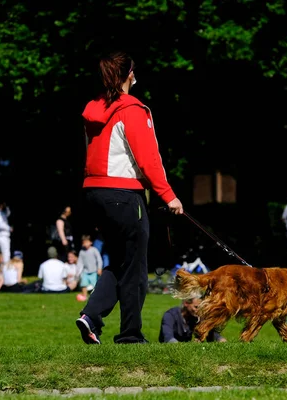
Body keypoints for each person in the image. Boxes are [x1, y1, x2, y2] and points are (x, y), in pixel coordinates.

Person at [75, 51, 184, 345]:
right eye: (134, 71)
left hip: (95, 193)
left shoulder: (92, 108)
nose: (136, 76)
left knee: (121, 261)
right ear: (127, 75)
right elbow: (148, 158)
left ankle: (91, 317)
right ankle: (130, 335)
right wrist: (169, 195)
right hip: (124, 194)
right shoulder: (132, 109)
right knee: (136, 268)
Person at [159, 297, 227, 343]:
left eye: (201, 308)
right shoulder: (170, 315)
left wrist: (220, 340)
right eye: (196, 307)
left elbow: (211, 332)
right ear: (186, 303)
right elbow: (168, 338)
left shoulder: (196, 317)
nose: (199, 311)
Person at [77, 234, 103, 301]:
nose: (84, 244)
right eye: (83, 242)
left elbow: (99, 259)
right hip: (85, 271)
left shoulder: (94, 250)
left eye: (86, 242)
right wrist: (78, 271)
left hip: (94, 271)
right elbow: (80, 262)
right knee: (84, 284)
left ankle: (95, 296)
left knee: (95, 285)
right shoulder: (82, 252)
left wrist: (99, 268)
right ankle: (84, 296)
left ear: (90, 242)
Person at [0, 201, 12, 269]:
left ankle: (3, 272)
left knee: (4, 254)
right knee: (6, 254)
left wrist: (7, 207)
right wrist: (9, 228)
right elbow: (0, 225)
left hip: (5, 236)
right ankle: (6, 271)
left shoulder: (2, 213)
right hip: (2, 236)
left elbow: (8, 213)